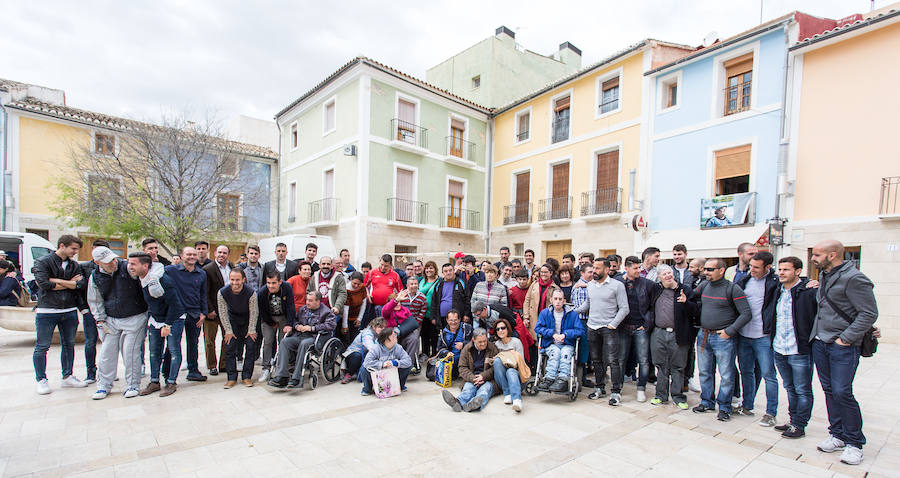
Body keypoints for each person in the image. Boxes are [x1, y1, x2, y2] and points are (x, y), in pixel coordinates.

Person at [809, 240, 878, 466]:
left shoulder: (854, 278)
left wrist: (845, 339)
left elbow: (868, 313)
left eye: (817, 254)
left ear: (833, 254)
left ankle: (854, 443)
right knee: (829, 390)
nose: (813, 258)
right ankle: (837, 434)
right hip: (821, 341)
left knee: (842, 392)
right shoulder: (825, 275)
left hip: (842, 346)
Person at [692, 258, 751, 421]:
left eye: (710, 270)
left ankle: (724, 407)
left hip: (723, 338)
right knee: (704, 372)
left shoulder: (733, 289)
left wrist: (729, 331)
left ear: (721, 270)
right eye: (705, 269)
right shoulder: (704, 286)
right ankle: (707, 401)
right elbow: (691, 296)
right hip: (704, 335)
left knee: (726, 374)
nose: (706, 272)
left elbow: (746, 313)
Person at [88, 246, 148, 400]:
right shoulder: (95, 277)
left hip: (135, 316)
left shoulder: (127, 267)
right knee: (106, 354)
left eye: (113, 258)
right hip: (111, 319)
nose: (113, 262)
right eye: (108, 261)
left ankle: (133, 384)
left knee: (130, 353)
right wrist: (100, 319)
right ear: (97, 262)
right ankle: (103, 386)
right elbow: (95, 300)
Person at [769, 256, 817, 439]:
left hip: (799, 350)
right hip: (780, 348)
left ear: (798, 271)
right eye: (780, 269)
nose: (781, 273)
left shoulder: (808, 291)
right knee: (789, 387)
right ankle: (792, 420)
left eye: (786, 269)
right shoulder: (777, 290)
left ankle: (799, 424)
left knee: (803, 389)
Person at [32, 235, 86, 395]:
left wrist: (58, 281)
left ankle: (67, 376)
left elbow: (79, 285)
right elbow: (44, 284)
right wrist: (69, 283)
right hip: (47, 310)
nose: (75, 252)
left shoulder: (74, 265)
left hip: (69, 310)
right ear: (62, 246)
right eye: (73, 248)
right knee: (42, 346)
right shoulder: (43, 262)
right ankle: (41, 380)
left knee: (69, 345)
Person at [130, 252, 185, 397]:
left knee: (173, 351)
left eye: (133, 264)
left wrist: (167, 325)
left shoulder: (163, 280)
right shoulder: (141, 279)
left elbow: (176, 305)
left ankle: (171, 382)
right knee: (154, 352)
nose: (130, 267)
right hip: (155, 319)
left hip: (173, 319)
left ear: (145, 265)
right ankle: (154, 381)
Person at [734, 251, 780, 426]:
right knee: (745, 371)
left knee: (769, 375)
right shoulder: (745, 280)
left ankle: (771, 412)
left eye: (756, 267)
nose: (751, 269)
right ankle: (747, 406)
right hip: (744, 334)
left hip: (764, 336)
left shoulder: (775, 283)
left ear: (767, 267)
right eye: (751, 266)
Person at [574, 258, 629, 405]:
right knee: (597, 360)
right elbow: (588, 304)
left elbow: (624, 308)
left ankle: (616, 392)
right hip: (592, 327)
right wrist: (572, 311)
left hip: (609, 328)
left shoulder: (617, 286)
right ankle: (599, 388)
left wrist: (613, 324)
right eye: (593, 269)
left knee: (613, 361)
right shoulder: (590, 285)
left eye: (597, 269)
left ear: (606, 269)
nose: (594, 272)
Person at [647, 265, 698, 410]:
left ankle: (678, 396)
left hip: (678, 333)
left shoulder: (685, 290)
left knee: (678, 366)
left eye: (669, 272)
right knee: (661, 365)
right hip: (658, 332)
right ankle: (660, 396)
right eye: (664, 274)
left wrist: (686, 302)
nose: (668, 276)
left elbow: (695, 311)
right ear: (659, 277)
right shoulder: (656, 289)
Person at [268, 291, 336, 389]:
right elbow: (295, 320)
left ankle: (297, 377)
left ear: (318, 302)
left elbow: (331, 325)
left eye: (310, 301)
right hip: (300, 335)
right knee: (284, 342)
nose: (307, 302)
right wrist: (297, 325)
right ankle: (281, 376)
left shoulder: (327, 312)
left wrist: (311, 328)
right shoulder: (303, 309)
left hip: (314, 338)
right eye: (307, 300)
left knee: (304, 344)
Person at [165, 247, 209, 382]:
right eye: (188, 254)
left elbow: (203, 294)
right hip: (176, 314)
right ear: (182, 256)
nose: (191, 257)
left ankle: (193, 370)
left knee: (193, 343)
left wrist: (204, 312)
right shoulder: (171, 271)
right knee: (173, 345)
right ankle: (167, 373)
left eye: (194, 254)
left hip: (194, 313)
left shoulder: (201, 274)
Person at [615, 256, 654, 402]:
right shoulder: (618, 282)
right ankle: (617, 387)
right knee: (620, 359)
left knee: (643, 359)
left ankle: (641, 387)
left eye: (640, 268)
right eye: (635, 268)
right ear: (626, 268)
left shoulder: (647, 284)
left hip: (640, 326)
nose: (639, 270)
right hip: (623, 327)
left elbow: (652, 306)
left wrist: (648, 323)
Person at [535, 289, 584, 392]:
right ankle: (549, 378)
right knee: (555, 353)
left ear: (564, 301)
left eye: (560, 299)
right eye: (555, 299)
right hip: (551, 343)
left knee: (565, 354)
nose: (558, 301)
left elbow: (580, 330)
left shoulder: (572, 314)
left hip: (567, 344)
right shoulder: (545, 313)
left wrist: (565, 335)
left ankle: (562, 379)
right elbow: (538, 328)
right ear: (551, 300)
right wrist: (552, 334)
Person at [217, 268, 258, 388]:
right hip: (232, 321)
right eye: (232, 280)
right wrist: (228, 331)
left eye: (238, 280)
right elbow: (222, 312)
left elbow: (254, 312)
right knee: (229, 348)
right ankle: (231, 377)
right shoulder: (222, 293)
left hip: (247, 320)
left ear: (243, 280)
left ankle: (246, 376)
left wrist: (251, 330)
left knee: (250, 347)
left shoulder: (251, 293)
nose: (235, 283)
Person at [441, 328, 498, 412]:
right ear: (473, 340)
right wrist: (473, 378)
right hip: (472, 378)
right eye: (480, 342)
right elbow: (462, 367)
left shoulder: (492, 348)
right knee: (468, 389)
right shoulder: (467, 349)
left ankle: (474, 405)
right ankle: (457, 402)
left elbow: (495, 367)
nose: (483, 344)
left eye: (485, 341)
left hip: (488, 379)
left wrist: (483, 376)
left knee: (485, 390)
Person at [256, 271, 296, 383]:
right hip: (269, 318)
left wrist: (289, 324)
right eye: (268, 283)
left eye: (274, 283)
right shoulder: (262, 292)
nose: (271, 286)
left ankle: (281, 367)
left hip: (283, 317)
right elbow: (262, 311)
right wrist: (271, 323)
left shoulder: (286, 287)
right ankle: (266, 368)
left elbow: (290, 306)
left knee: (283, 342)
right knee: (268, 342)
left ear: (280, 282)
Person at [202, 245, 232, 375]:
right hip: (212, 311)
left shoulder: (232, 267)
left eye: (224, 253)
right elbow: (204, 292)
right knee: (209, 340)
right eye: (219, 252)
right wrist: (209, 309)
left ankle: (224, 364)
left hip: (228, 310)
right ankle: (212, 365)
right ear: (214, 253)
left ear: (228, 255)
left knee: (228, 338)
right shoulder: (207, 269)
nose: (222, 255)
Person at [361, 327, 412, 396]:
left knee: (408, 366)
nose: (396, 337)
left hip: (392, 371)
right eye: (393, 336)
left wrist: (395, 363)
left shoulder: (398, 347)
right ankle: (367, 389)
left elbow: (408, 361)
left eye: (395, 335)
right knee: (364, 369)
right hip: (378, 372)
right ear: (386, 339)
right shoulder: (376, 348)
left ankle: (400, 385)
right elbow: (367, 362)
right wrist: (382, 364)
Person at [492, 317, 525, 412]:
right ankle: (507, 393)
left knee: (510, 371)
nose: (500, 331)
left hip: (516, 377)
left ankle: (517, 400)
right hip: (502, 379)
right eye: (498, 329)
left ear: (508, 329)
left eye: (503, 328)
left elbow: (520, 362)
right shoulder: (497, 344)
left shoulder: (516, 342)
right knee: (497, 361)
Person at [522, 264, 560, 346]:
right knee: (532, 341)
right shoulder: (534, 284)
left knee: (544, 342)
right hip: (533, 318)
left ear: (551, 273)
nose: (543, 274)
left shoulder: (555, 288)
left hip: (547, 318)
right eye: (541, 272)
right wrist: (526, 317)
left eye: (546, 272)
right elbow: (527, 301)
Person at [342, 317, 385, 384]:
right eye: (380, 327)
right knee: (357, 356)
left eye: (383, 327)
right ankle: (349, 374)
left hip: (364, 355)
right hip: (352, 355)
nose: (382, 329)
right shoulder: (367, 333)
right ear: (374, 327)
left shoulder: (378, 334)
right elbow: (370, 346)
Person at [382, 289, 420, 363]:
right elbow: (385, 310)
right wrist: (395, 300)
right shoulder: (388, 312)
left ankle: (409, 363)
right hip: (393, 336)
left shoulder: (405, 309)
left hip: (405, 334)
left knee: (414, 337)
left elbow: (411, 323)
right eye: (396, 302)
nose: (397, 304)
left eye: (399, 302)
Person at [571, 262, 593, 388]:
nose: (592, 274)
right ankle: (581, 379)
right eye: (589, 272)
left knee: (588, 352)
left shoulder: (589, 285)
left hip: (591, 322)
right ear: (582, 273)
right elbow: (582, 308)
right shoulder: (579, 288)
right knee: (582, 351)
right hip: (582, 322)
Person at [430, 263, 469, 329]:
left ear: (454, 270)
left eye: (450, 270)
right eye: (446, 271)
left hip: (457, 318)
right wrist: (433, 317)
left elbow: (467, 299)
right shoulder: (438, 284)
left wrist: (466, 314)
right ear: (442, 273)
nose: (448, 273)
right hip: (442, 318)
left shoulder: (461, 283)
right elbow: (434, 301)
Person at [307, 256, 347, 320]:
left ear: (331, 266)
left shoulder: (338, 277)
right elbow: (309, 292)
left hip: (332, 311)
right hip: (317, 311)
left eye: (328, 264)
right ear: (319, 265)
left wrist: (337, 307)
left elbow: (342, 294)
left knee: (328, 328)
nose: (326, 266)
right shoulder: (315, 276)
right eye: (323, 264)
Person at [438, 310, 473, 377]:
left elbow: (476, 343)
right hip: (451, 358)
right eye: (451, 320)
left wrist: (463, 345)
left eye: (455, 320)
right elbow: (440, 349)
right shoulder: (443, 333)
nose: (453, 322)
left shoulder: (467, 328)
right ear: (447, 320)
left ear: (459, 319)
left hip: (466, 357)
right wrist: (447, 353)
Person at [417, 261, 440, 357]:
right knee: (424, 334)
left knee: (434, 335)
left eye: (431, 268)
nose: (428, 270)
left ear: (435, 269)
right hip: (422, 312)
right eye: (427, 268)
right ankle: (425, 353)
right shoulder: (422, 280)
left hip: (434, 312)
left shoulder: (440, 281)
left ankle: (434, 354)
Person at [340, 271, 368, 347]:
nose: (356, 286)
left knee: (355, 339)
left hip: (356, 315)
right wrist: (344, 325)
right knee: (346, 339)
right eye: (354, 283)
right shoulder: (346, 289)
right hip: (347, 317)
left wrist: (359, 319)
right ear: (350, 280)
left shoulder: (362, 287)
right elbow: (345, 309)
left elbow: (363, 304)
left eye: (358, 284)